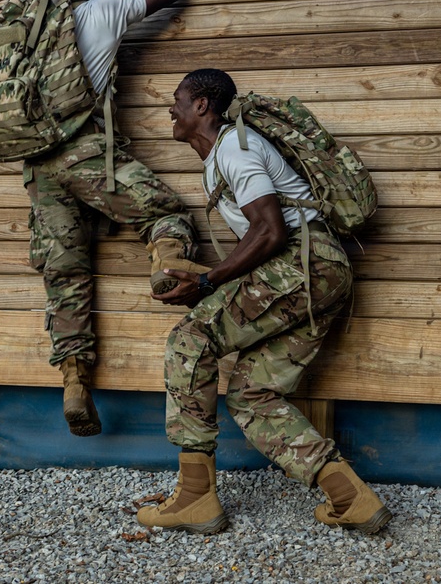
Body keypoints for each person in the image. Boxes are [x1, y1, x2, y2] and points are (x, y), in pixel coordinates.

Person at [136, 67, 392, 535]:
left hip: (305, 263)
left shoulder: (234, 147)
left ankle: (194, 497)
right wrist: (203, 280)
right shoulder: (221, 156)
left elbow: (270, 231)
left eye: (177, 100)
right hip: (317, 272)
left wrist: (209, 282)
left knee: (190, 341)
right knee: (251, 393)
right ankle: (350, 497)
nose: (170, 109)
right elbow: (260, 237)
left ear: (201, 105)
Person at [20, 0, 210, 437]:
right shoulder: (101, 10)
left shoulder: (23, 20)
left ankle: (74, 382)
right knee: (165, 212)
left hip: (38, 167)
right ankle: (165, 264)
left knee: (65, 275)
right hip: (86, 153)